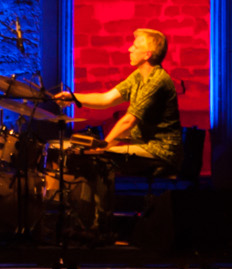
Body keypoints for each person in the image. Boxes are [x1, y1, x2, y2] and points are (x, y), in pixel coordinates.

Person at [54, 27, 183, 175]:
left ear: (147, 54)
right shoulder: (138, 76)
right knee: (94, 156)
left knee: (99, 159)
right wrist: (73, 97)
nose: (130, 49)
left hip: (161, 152)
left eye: (135, 47)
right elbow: (106, 99)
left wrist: (103, 146)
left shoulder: (157, 81)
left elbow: (128, 121)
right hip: (145, 146)